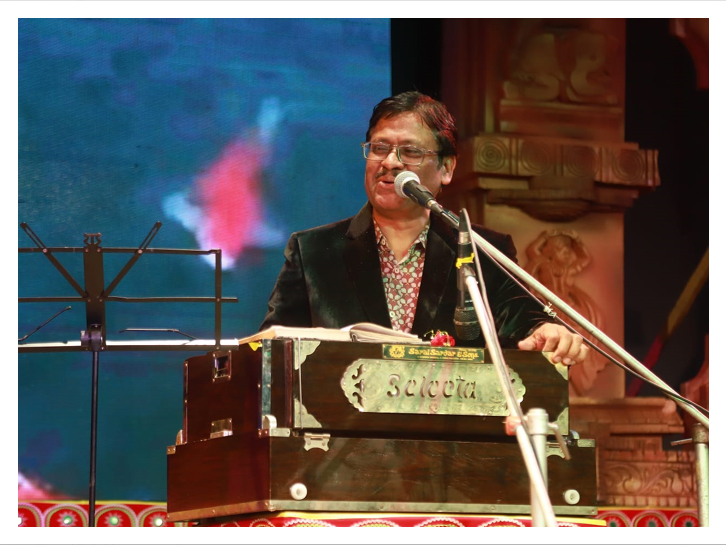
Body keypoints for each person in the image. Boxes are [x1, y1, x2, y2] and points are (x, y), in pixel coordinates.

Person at [260, 91, 588, 366]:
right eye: (379, 148)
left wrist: (547, 331)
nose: (390, 162)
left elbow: (526, 321)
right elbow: (270, 353)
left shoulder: (482, 250)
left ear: (446, 168)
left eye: (410, 152)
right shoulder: (314, 251)